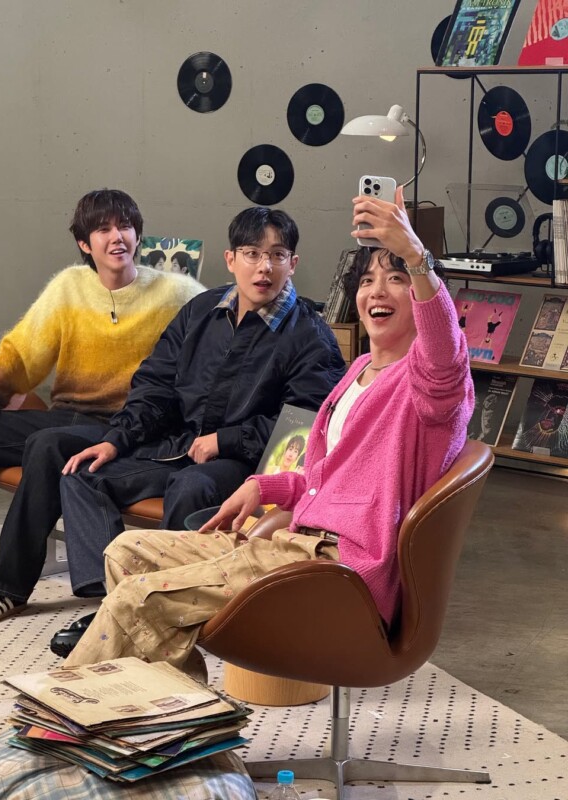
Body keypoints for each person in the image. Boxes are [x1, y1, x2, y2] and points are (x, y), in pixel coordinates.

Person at [54, 186, 473, 666]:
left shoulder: (429, 385)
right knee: (125, 551)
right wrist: (266, 486)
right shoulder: (358, 372)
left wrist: (415, 256)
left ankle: (66, 710)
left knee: (139, 597)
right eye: (367, 280)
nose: (376, 291)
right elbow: (328, 477)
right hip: (294, 540)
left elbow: (444, 350)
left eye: (396, 278)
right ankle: (175, 706)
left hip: (335, 567)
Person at [0, 189, 204, 624]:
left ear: (138, 234)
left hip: (127, 427)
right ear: (84, 243)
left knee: (47, 444)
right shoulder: (69, 287)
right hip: (68, 416)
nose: (117, 237)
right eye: (103, 229)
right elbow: (21, 355)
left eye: (125, 226)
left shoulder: (178, 293)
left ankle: (7, 588)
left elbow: (222, 337)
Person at [52, 206, 345, 613]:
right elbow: (155, 384)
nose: (264, 267)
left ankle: (168, 602)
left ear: (292, 264)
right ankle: (112, 600)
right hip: (183, 446)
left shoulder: (310, 335)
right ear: (231, 259)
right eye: (252, 254)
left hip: (247, 465)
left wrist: (225, 440)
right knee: (84, 475)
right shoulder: (201, 310)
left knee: (191, 486)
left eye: (277, 255)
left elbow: (302, 427)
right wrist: (116, 439)